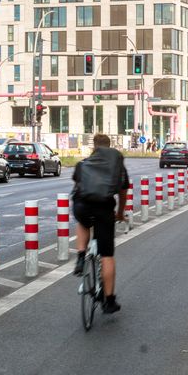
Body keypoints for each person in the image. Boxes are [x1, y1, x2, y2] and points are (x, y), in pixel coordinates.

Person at [72, 134, 129, 314]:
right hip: (104, 209)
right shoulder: (116, 166)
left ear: (94, 147)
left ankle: (81, 256)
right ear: (110, 147)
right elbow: (122, 191)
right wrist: (119, 213)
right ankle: (109, 301)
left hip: (82, 205)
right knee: (107, 256)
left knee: (82, 221)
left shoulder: (82, 164)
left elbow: (77, 185)